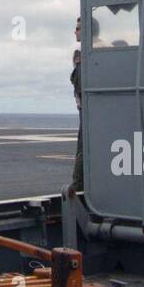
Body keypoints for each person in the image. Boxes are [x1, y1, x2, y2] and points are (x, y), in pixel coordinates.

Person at [64, 20, 84, 201]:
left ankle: (77, 188)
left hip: (88, 115)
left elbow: (81, 92)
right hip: (87, 113)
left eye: (78, 28)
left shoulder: (84, 58)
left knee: (83, 148)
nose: (75, 32)